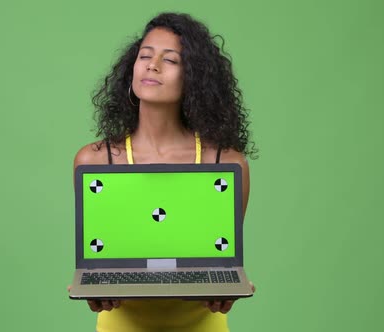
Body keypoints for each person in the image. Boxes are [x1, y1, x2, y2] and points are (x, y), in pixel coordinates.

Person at [72, 12, 256, 332]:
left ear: (194, 78)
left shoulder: (225, 164)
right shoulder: (95, 161)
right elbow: (99, 258)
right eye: (145, 55)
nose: (152, 65)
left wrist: (228, 289)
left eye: (169, 60)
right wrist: (96, 289)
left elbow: (222, 258)